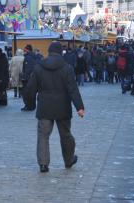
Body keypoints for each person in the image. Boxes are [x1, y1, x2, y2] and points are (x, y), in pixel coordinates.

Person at [23, 41, 84, 173]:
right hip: (63, 107)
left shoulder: (39, 67)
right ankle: (68, 161)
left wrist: (29, 102)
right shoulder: (67, 68)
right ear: (60, 52)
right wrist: (79, 107)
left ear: (49, 52)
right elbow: (73, 89)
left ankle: (43, 164)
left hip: (45, 107)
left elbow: (31, 88)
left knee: (43, 136)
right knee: (66, 135)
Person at [21, 44, 37, 111]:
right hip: (33, 78)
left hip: (27, 79)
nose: (24, 51)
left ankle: (28, 106)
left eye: (24, 49)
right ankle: (32, 106)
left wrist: (24, 77)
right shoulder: (34, 56)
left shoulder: (28, 57)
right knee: (32, 93)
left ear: (27, 50)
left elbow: (28, 68)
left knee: (26, 93)